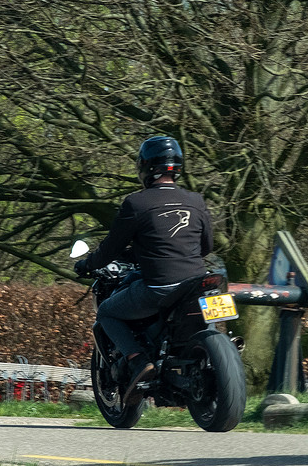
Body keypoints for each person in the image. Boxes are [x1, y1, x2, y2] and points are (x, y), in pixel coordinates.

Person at [75, 136, 214, 399]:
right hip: (198, 282)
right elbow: (206, 246)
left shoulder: (136, 203)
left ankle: (138, 359)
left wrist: (86, 264)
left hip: (160, 287)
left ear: (145, 167)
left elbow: (110, 250)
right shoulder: (196, 200)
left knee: (106, 312)